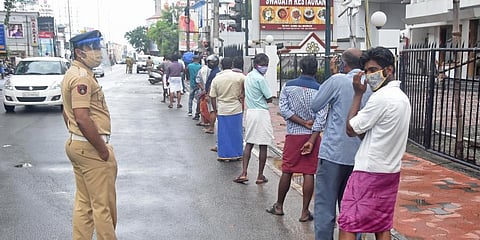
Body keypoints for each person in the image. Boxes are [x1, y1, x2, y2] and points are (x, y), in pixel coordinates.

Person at [339, 47, 411, 240]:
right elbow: (372, 134)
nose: (369, 75)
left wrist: (357, 94)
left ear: (389, 70)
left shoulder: (381, 98)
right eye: (367, 71)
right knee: (381, 224)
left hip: (368, 172)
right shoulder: (402, 99)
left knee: (348, 222)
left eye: (373, 70)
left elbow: (351, 128)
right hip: (390, 172)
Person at [61, 30, 118, 240]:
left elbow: (64, 110)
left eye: (97, 46)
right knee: (103, 206)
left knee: (84, 204)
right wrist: (102, 150)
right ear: (79, 52)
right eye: (91, 48)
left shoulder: (72, 73)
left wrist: (74, 134)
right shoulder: (81, 78)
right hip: (91, 148)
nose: (97, 52)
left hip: (78, 145)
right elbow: (82, 117)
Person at [311, 48, 370, 240]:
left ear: (344, 64)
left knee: (325, 207)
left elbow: (315, 104)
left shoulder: (337, 81)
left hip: (333, 153)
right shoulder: (372, 85)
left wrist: (334, 76)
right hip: (360, 155)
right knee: (353, 207)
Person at [266, 55, 327, 222]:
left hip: (293, 134)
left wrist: (301, 122)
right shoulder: (320, 89)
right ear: (315, 70)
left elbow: (283, 110)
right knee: (309, 172)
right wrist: (312, 135)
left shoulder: (288, 87)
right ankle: (305, 212)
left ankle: (279, 206)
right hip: (311, 137)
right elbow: (322, 118)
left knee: (287, 169)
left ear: (300, 68)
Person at [234, 53, 273, 184]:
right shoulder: (260, 79)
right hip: (261, 112)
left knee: (249, 142)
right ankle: (260, 175)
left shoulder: (248, 76)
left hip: (250, 112)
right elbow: (269, 98)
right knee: (263, 144)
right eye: (264, 65)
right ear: (257, 65)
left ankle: (244, 172)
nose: (265, 67)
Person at [209, 57, 245, 161]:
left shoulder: (217, 79)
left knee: (223, 133)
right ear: (232, 65)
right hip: (236, 108)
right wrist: (242, 95)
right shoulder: (239, 77)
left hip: (223, 108)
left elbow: (212, 96)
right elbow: (248, 86)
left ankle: (224, 155)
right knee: (236, 132)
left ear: (221, 65)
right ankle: (238, 154)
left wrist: (215, 109)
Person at [200, 55, 220, 134]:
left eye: (210, 62)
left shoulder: (215, 72)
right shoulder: (213, 71)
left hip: (212, 94)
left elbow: (212, 84)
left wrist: (208, 94)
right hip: (211, 93)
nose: (209, 64)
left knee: (212, 111)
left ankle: (211, 127)